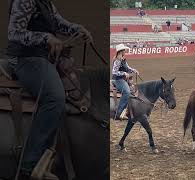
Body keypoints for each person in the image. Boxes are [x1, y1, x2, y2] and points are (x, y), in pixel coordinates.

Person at [6, 0, 92, 179]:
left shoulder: (45, 3)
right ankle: (28, 166)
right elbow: (14, 33)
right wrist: (47, 38)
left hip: (43, 57)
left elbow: (59, 22)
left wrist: (77, 29)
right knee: (55, 98)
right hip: (26, 59)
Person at [112, 44, 139, 120]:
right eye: (124, 50)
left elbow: (127, 68)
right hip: (118, 79)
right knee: (127, 92)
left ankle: (128, 111)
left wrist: (134, 70)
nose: (125, 51)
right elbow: (114, 72)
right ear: (121, 51)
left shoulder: (123, 59)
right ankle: (118, 113)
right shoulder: (117, 60)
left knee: (133, 89)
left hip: (123, 79)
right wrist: (124, 73)